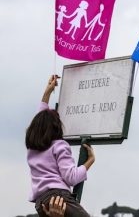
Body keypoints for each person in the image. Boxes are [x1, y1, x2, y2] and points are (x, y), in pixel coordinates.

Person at [26, 75, 95, 217]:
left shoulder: (33, 148)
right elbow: (71, 178)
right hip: (59, 197)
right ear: (56, 127)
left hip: (41, 202)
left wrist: (47, 93)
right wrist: (89, 162)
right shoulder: (60, 146)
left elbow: (41, 118)